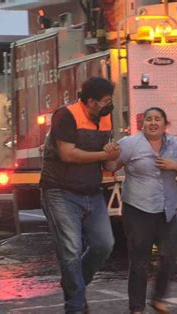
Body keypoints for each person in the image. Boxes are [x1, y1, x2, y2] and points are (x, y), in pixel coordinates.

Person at [40, 77, 119, 314]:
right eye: (106, 101)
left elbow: (110, 166)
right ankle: (75, 306)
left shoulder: (104, 118)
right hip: (59, 192)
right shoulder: (65, 115)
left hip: (92, 191)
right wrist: (102, 155)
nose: (109, 105)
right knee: (70, 250)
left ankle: (73, 284)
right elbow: (68, 155)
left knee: (104, 244)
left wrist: (113, 155)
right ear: (92, 101)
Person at [115, 107, 177, 314]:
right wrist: (109, 154)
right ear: (142, 124)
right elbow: (111, 165)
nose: (153, 123)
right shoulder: (129, 144)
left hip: (167, 209)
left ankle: (158, 298)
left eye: (157, 119)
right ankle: (137, 308)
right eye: (148, 119)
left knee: (170, 257)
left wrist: (175, 165)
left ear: (165, 124)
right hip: (137, 209)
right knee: (139, 261)